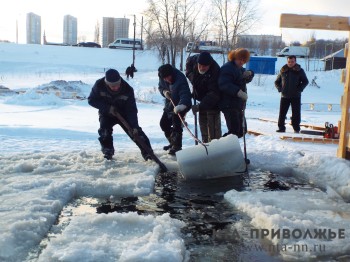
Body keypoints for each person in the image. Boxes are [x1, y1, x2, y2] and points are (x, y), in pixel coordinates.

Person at [88, 68, 154, 160]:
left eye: (117, 85)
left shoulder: (127, 89)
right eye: (113, 86)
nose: (116, 87)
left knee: (136, 132)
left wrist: (134, 126)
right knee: (104, 131)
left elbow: (131, 109)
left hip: (124, 114)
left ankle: (148, 153)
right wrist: (108, 108)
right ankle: (108, 151)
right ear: (107, 84)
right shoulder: (99, 85)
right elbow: (91, 100)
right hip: (107, 114)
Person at [185, 51, 221, 143]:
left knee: (213, 130)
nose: (201, 68)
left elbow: (214, 93)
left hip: (214, 102)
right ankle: (205, 146)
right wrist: (192, 77)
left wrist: (199, 107)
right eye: (200, 65)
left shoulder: (215, 71)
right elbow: (188, 70)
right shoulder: (193, 60)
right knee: (203, 125)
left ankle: (215, 147)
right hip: (200, 98)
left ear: (210, 65)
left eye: (205, 66)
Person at [218, 48, 254, 138]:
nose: (242, 62)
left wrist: (250, 73)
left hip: (238, 104)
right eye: (240, 59)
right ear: (234, 57)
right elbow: (224, 84)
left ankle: (230, 147)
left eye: (244, 60)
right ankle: (224, 146)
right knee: (234, 131)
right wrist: (239, 92)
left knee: (242, 130)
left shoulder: (239, 68)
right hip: (229, 104)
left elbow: (243, 78)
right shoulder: (227, 68)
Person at [158, 64, 192, 155]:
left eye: (168, 77)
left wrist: (181, 106)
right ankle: (172, 143)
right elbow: (161, 87)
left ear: (172, 74)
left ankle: (177, 147)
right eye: (164, 78)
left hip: (182, 104)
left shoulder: (180, 79)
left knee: (176, 123)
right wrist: (164, 92)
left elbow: (185, 94)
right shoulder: (162, 76)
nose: (167, 80)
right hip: (170, 103)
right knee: (163, 123)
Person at [275, 55, 309, 133]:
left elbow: (305, 81)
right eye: (289, 62)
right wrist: (280, 89)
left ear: (295, 61)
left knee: (296, 113)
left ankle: (296, 128)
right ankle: (281, 128)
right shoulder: (283, 70)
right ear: (287, 62)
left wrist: (299, 89)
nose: (290, 63)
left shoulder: (300, 70)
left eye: (292, 61)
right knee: (282, 113)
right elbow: (277, 82)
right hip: (284, 96)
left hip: (295, 96)